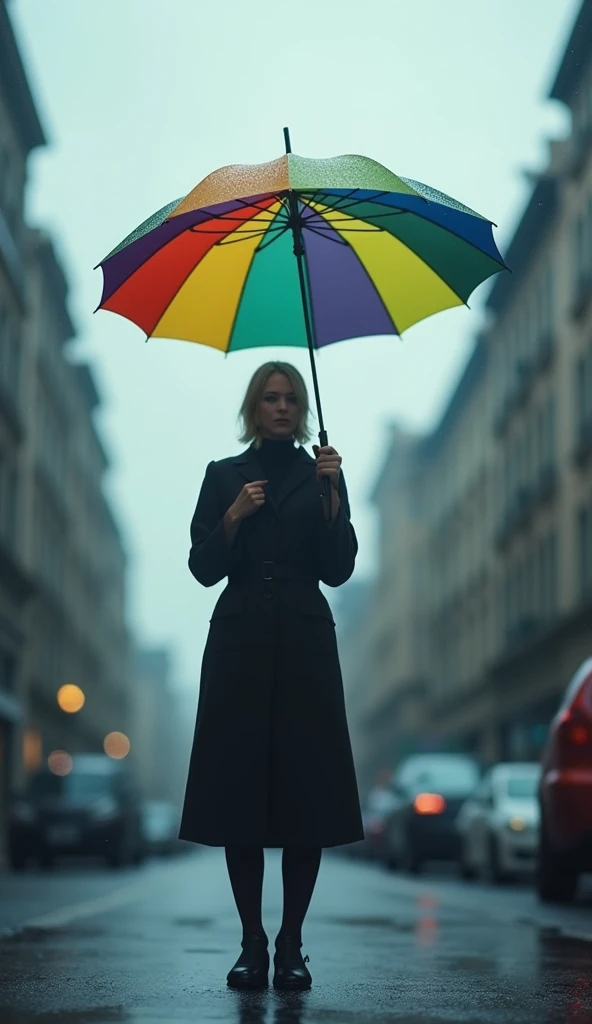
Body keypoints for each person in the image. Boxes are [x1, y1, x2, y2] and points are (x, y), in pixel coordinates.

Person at [179, 360, 363, 991]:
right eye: (270, 398)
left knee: (305, 792)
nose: (281, 408)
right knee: (240, 793)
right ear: (253, 408)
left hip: (306, 641)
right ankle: (252, 941)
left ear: (302, 408)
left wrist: (335, 498)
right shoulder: (224, 475)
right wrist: (232, 517)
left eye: (291, 399)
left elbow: (339, 570)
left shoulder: (324, 474)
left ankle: (292, 943)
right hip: (238, 644)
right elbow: (203, 569)